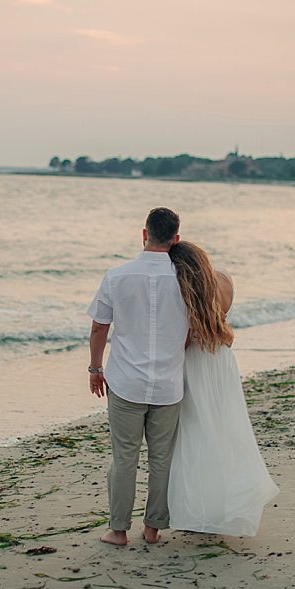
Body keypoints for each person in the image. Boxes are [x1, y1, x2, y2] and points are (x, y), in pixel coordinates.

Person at [87, 207, 189, 546]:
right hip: (168, 385)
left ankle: (118, 530)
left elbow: (100, 326)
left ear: (144, 234)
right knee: (162, 459)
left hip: (126, 382)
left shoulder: (117, 276)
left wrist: (95, 368)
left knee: (124, 458)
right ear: (176, 239)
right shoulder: (187, 279)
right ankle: (152, 529)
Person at [166, 241, 279, 535]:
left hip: (196, 364)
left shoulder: (186, 290)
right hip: (222, 362)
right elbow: (220, 322)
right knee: (225, 430)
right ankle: (227, 504)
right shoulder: (225, 279)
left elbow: (186, 339)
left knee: (196, 434)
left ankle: (202, 511)